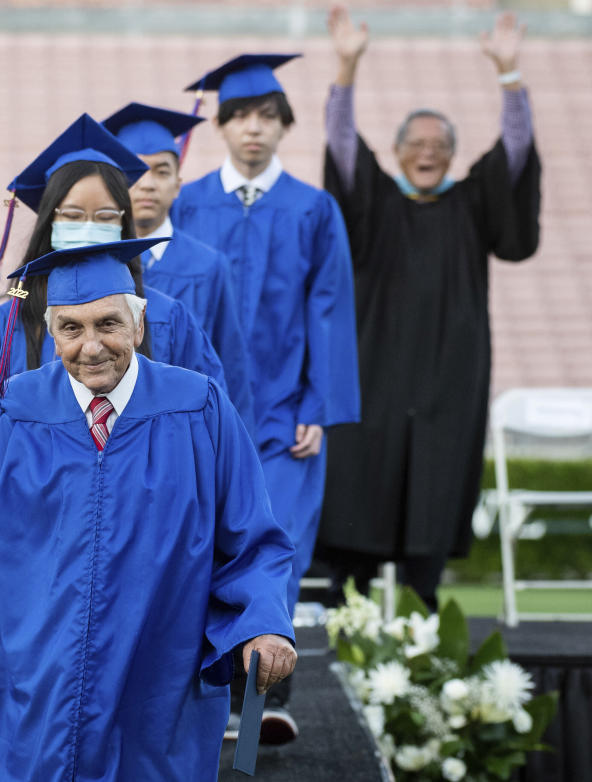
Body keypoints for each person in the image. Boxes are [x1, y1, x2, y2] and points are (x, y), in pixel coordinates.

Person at [0, 237, 297, 781]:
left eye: (108, 324)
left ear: (139, 326)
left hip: (159, 684)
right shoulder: (9, 415)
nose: (91, 346)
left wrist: (265, 624)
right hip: (35, 689)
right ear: (51, 335)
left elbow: (251, 540)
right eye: (71, 328)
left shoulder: (199, 406)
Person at [317, 7, 541, 610]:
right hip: (374, 371)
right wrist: (347, 66)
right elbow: (341, 147)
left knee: (437, 487)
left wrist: (509, 76)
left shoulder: (471, 205)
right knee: (361, 480)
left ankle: (423, 610)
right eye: (415, 143)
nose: (427, 152)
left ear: (452, 155)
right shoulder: (375, 204)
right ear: (395, 151)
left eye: (440, 145)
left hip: (450, 373)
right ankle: (348, 610)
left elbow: (515, 157)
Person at [172, 54, 360, 742]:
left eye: (269, 117)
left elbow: (330, 309)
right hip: (204, 417)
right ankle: (199, 704)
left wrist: (319, 406)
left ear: (285, 127)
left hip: (283, 419)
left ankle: (260, 709)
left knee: (273, 555)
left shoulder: (313, 209)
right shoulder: (187, 203)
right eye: (242, 116)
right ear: (221, 126)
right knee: (198, 553)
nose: (255, 129)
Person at [0, 114, 229, 508]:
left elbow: (214, 424)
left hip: (147, 521)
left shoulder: (167, 317)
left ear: (124, 224)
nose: (88, 227)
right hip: (36, 525)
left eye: (104, 216)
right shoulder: (9, 324)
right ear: (49, 223)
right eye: (71, 215)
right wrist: (4, 500)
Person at [101, 102, 255, 429]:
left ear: (178, 185)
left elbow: (231, 362)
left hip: (184, 429)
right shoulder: (97, 262)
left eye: (162, 171)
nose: (148, 184)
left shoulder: (209, 266)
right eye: (136, 172)